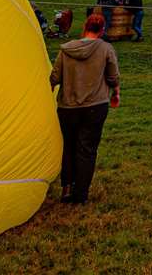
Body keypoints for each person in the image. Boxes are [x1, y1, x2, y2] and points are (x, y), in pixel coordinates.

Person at [49, 12, 119, 204]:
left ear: (85, 27)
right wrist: (115, 92)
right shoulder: (106, 49)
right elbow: (113, 77)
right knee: (87, 149)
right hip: (95, 107)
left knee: (69, 146)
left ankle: (66, 188)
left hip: (67, 107)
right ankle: (81, 194)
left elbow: (54, 78)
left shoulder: (66, 50)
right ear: (102, 30)